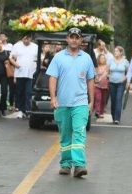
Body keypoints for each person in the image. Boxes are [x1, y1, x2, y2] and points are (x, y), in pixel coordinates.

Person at [46, 27, 95, 177]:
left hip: (80, 102)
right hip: (63, 103)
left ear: (81, 40)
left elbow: (90, 79)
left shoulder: (86, 58)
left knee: (79, 133)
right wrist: (53, 98)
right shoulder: (58, 57)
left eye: (77, 37)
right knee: (65, 135)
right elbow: (52, 78)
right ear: (67, 39)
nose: (74, 40)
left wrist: (91, 101)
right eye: (71, 37)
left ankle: (80, 165)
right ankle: (66, 164)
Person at [9, 33, 38, 119]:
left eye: (28, 39)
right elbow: (11, 58)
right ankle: (21, 110)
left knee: (28, 92)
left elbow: (39, 58)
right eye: (25, 39)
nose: (26, 40)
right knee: (20, 92)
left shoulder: (35, 47)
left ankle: (28, 110)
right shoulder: (17, 46)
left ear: (31, 39)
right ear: (22, 38)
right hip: (20, 73)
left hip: (31, 73)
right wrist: (15, 64)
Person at [108, 46, 129, 124]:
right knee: (113, 100)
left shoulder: (125, 61)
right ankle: (113, 116)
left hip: (121, 83)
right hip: (112, 83)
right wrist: (107, 76)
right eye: (115, 51)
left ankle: (117, 118)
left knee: (118, 99)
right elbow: (107, 71)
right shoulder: (110, 61)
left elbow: (129, 72)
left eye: (117, 51)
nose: (115, 52)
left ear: (121, 53)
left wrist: (126, 79)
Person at [94, 54, 109, 118]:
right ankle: (97, 111)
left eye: (103, 58)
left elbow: (106, 73)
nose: (102, 59)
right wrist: (97, 78)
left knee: (103, 99)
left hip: (105, 85)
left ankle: (101, 112)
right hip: (97, 85)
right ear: (98, 59)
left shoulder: (107, 66)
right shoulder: (96, 66)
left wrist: (100, 78)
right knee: (98, 98)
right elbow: (95, 74)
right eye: (101, 58)